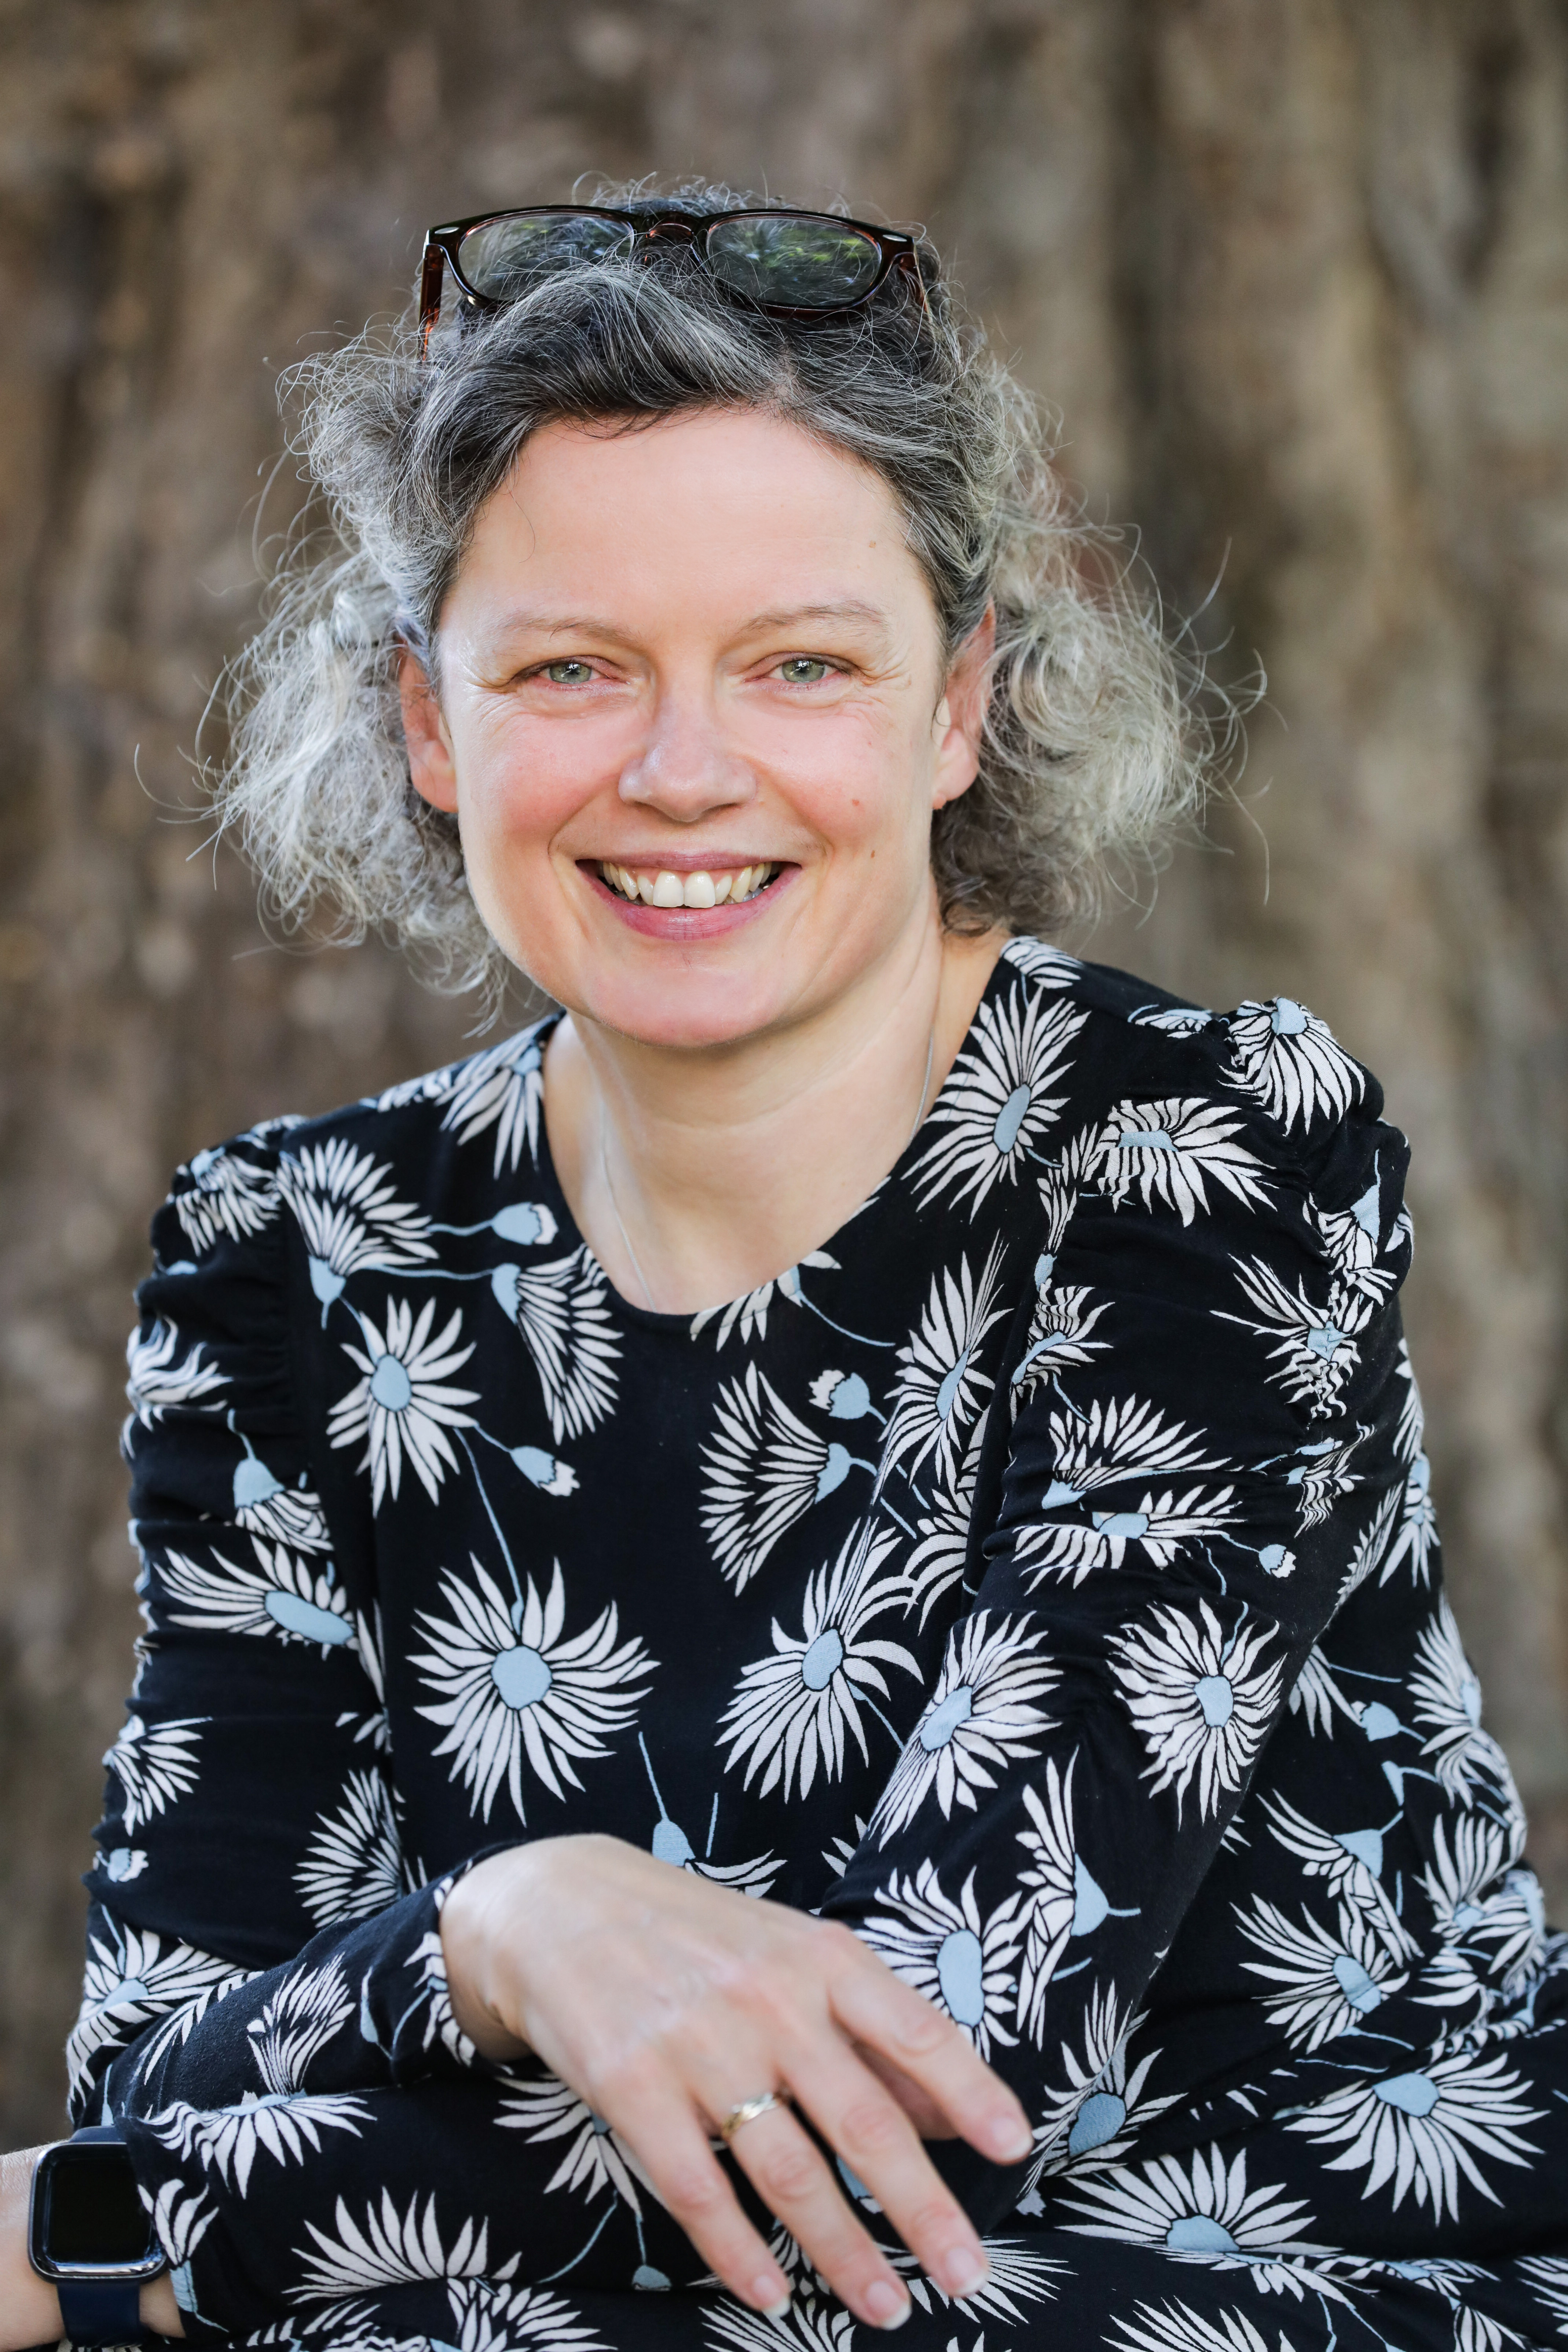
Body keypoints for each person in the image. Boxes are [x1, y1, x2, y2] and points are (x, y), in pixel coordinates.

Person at [4, 178, 1567, 2352]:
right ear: (431, 722)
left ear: (957, 710)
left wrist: (132, 2249)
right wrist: (502, 1925)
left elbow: (921, 2080)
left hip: (1253, 2288)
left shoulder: (1200, 1147)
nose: (679, 771)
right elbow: (170, 2055)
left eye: (801, 665)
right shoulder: (295, 1254)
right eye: (568, 667)